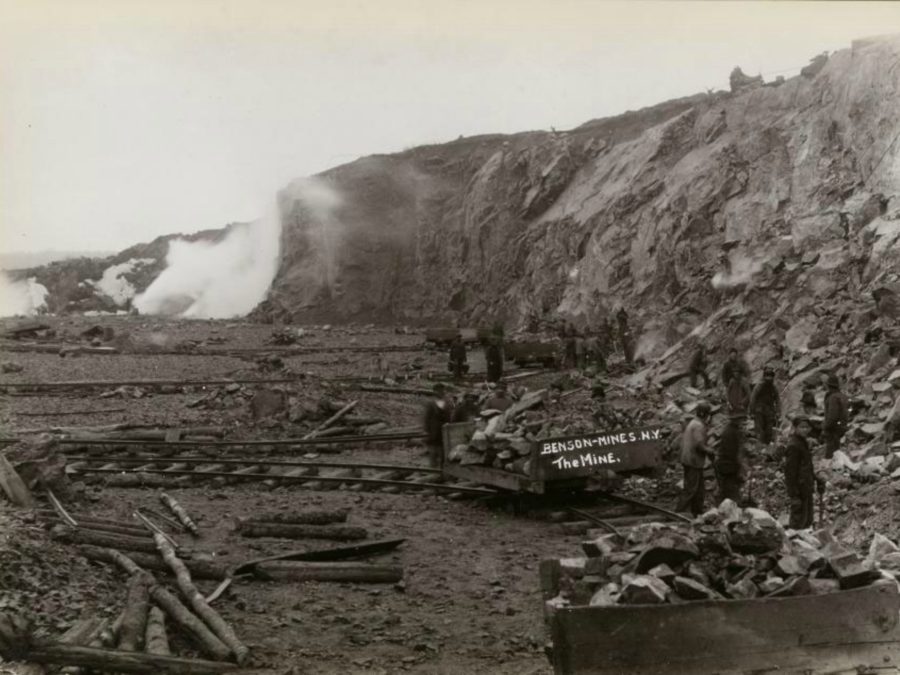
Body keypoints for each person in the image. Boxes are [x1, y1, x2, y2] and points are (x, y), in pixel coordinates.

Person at [784, 414, 824, 529]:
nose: (805, 430)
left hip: (806, 487)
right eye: (802, 427)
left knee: (807, 520)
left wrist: (817, 479)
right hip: (799, 490)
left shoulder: (803, 442)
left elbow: (807, 467)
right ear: (795, 428)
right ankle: (794, 544)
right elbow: (790, 472)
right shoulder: (793, 446)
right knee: (798, 521)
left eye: (807, 427)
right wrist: (793, 495)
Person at [676, 401, 714, 516]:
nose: (709, 417)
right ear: (704, 414)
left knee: (699, 489)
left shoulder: (693, 422)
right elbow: (699, 445)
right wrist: (710, 451)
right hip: (693, 460)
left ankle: (697, 511)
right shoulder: (698, 426)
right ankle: (679, 512)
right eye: (708, 415)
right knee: (691, 489)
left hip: (690, 459)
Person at [715, 414, 746, 503]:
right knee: (730, 492)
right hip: (728, 466)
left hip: (725, 465)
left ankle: (721, 506)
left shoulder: (728, 430)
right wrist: (742, 467)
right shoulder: (733, 432)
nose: (742, 422)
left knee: (725, 490)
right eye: (741, 419)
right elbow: (736, 453)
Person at [750, 366, 781, 448]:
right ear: (764, 376)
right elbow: (753, 398)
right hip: (759, 411)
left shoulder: (773, 388)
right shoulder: (759, 386)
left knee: (769, 431)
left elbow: (777, 400)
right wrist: (752, 411)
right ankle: (760, 449)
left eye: (770, 376)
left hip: (769, 412)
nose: (769, 378)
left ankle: (766, 449)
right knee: (759, 431)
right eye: (767, 375)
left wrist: (778, 412)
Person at [423, 383, 453, 467]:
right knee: (433, 450)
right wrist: (426, 430)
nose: (441, 392)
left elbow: (450, 416)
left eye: (442, 390)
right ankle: (433, 468)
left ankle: (443, 467)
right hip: (433, 431)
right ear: (435, 392)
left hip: (444, 430)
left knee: (444, 449)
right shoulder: (430, 403)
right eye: (439, 391)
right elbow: (426, 418)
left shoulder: (447, 403)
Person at [823, 373, 848, 458]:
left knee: (831, 454)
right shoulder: (842, 396)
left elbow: (833, 416)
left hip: (833, 430)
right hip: (842, 428)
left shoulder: (833, 397)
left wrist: (826, 427)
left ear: (828, 385)